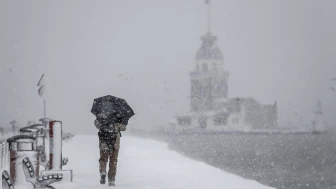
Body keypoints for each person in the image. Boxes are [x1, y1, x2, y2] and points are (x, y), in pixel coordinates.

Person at [94, 116, 127, 186]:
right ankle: (111, 180)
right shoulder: (119, 115)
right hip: (115, 143)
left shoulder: (102, 114)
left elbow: (97, 125)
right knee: (113, 161)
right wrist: (121, 123)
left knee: (103, 159)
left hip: (104, 142)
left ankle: (103, 171)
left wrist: (101, 122)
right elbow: (124, 128)